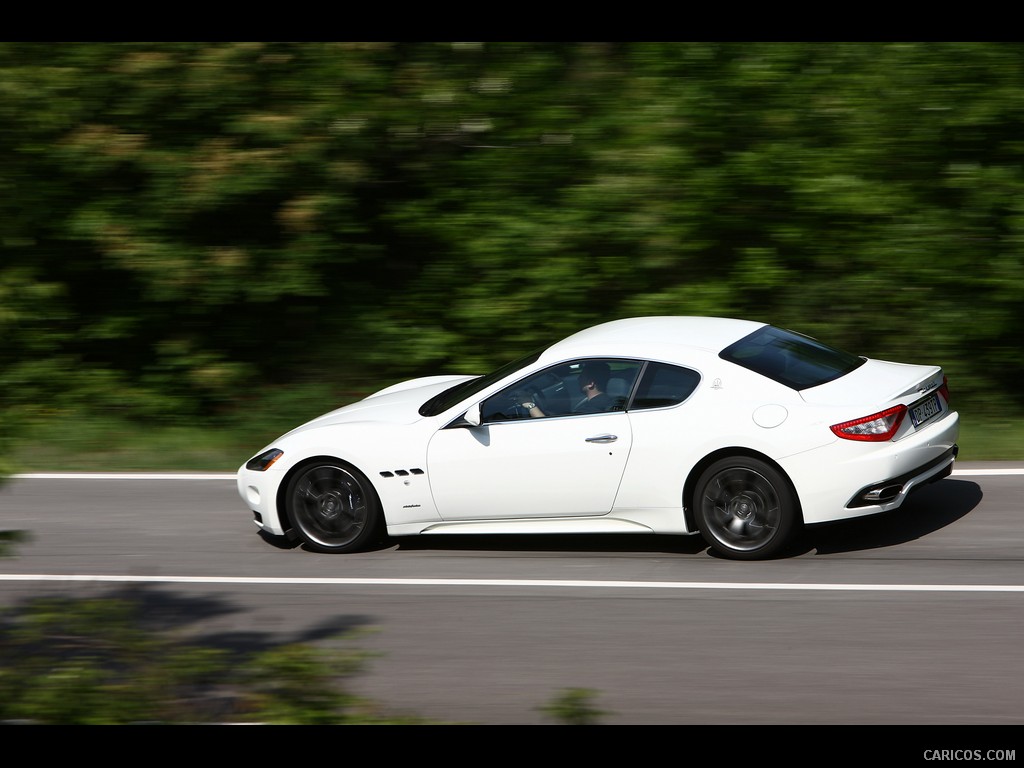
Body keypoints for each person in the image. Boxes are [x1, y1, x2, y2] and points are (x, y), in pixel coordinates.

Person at [520, 361, 612, 417]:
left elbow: (550, 429)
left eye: (582, 376)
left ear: (591, 384)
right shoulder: (603, 401)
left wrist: (530, 405)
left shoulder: (591, 410)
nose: (578, 379)